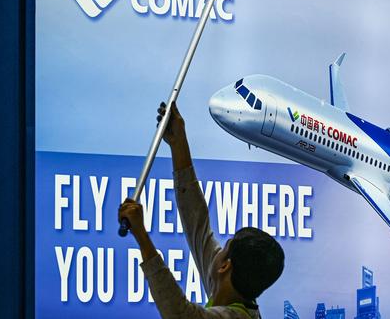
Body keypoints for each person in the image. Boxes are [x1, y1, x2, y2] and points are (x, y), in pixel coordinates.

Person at [119, 102, 285, 319]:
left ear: (225, 266)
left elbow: (180, 314)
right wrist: (179, 142)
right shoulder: (232, 292)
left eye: (224, 248)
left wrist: (141, 236)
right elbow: (196, 223)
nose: (216, 249)